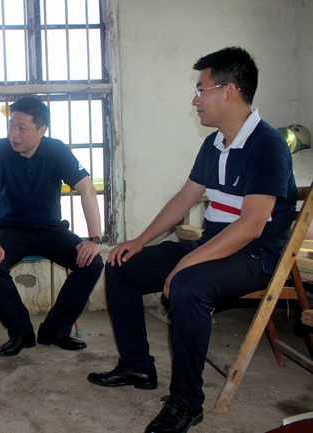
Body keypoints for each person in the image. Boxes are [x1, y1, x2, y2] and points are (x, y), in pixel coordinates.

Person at [87, 47, 297, 433]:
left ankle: (186, 402)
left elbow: (251, 227)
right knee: (121, 265)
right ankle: (137, 366)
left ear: (229, 91)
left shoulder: (267, 145)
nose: (195, 99)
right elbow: (185, 199)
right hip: (215, 243)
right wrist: (139, 240)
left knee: (187, 285)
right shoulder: (215, 143)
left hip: (255, 255)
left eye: (201, 89)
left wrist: (186, 263)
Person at [0, 96, 104, 357]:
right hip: (11, 229)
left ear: (42, 130)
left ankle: (55, 329)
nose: (14, 133)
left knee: (92, 262)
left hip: (50, 229)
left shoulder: (56, 150)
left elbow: (87, 189)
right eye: (11, 125)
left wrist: (94, 239)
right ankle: (21, 332)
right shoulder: (0, 149)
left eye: (22, 128)